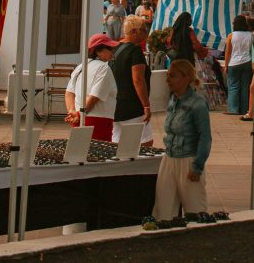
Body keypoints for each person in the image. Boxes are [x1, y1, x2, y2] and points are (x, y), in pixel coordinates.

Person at [148, 59, 212, 227]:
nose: (167, 80)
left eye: (172, 76)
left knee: (194, 208)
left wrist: (197, 165)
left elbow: (205, 137)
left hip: (188, 159)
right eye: (168, 75)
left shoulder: (197, 103)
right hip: (169, 157)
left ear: (185, 78)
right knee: (164, 206)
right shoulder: (173, 100)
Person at [65, 33, 119, 141]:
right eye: (109, 48)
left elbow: (69, 93)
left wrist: (72, 112)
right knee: (100, 155)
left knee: (79, 153)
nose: (112, 51)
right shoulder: (104, 68)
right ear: (98, 51)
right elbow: (94, 97)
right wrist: (80, 115)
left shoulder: (81, 67)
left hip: (78, 118)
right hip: (98, 121)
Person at [112, 15, 153, 145]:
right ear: (134, 31)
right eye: (143, 29)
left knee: (117, 142)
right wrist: (146, 105)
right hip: (132, 104)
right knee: (145, 143)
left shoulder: (115, 48)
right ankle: (139, 165)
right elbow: (138, 80)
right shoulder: (135, 51)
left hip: (115, 103)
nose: (146, 33)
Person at [224, 14, 253, 115]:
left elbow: (228, 52)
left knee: (233, 86)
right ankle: (244, 109)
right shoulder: (250, 35)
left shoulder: (231, 35)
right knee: (245, 86)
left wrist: (226, 65)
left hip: (234, 63)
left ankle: (233, 109)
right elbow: (252, 50)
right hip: (247, 62)